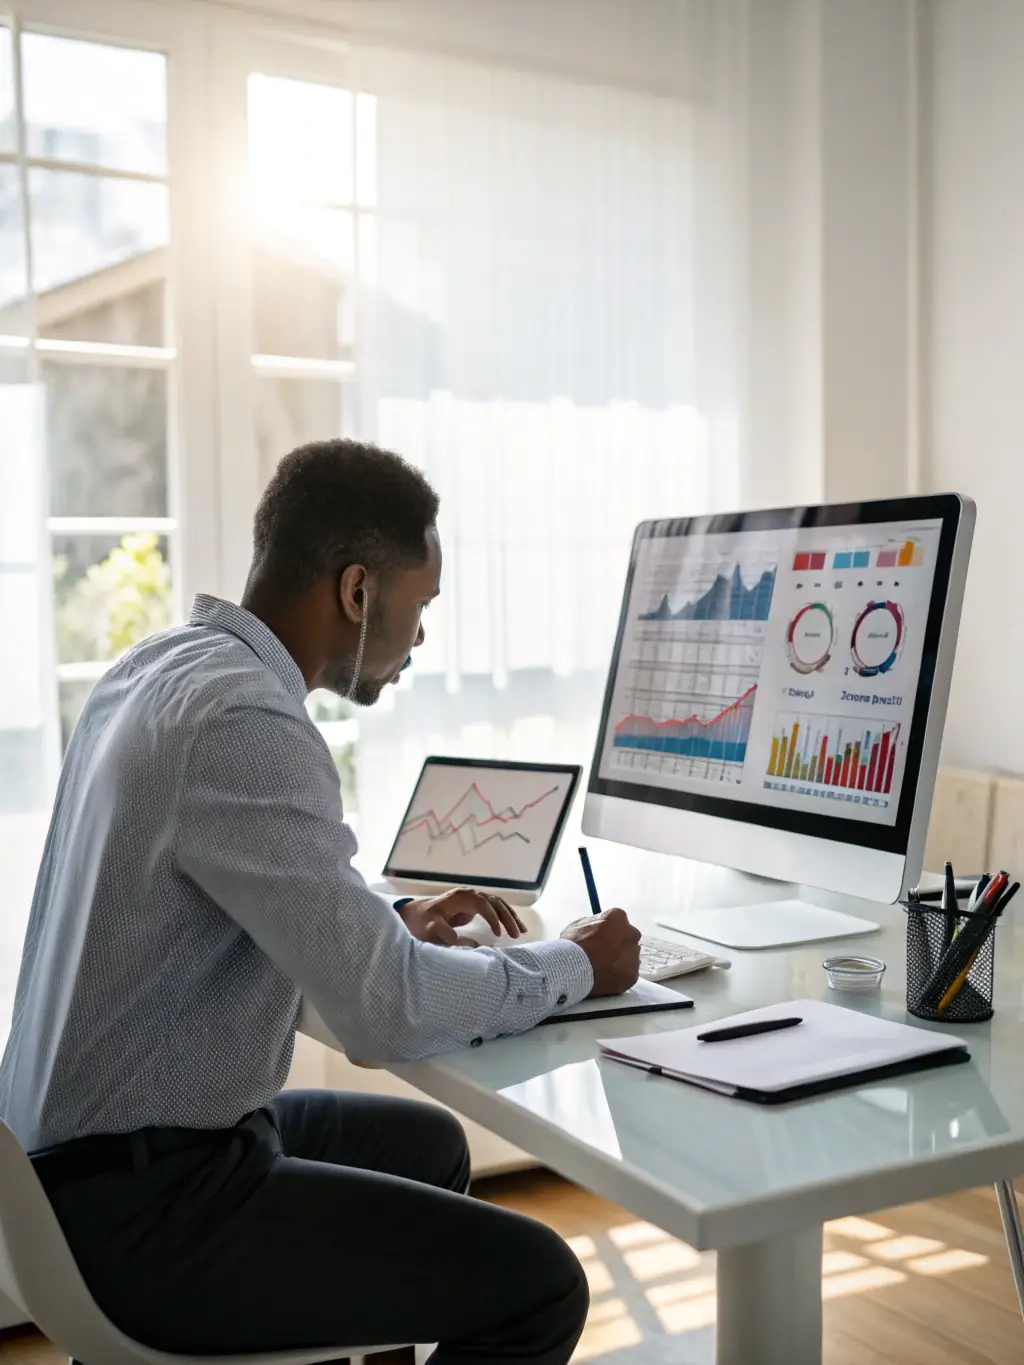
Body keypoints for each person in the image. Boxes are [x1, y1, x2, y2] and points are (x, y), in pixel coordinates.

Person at [0, 439, 642, 1365]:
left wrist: (384, 927)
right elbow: (386, 1013)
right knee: (540, 1284)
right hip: (140, 1210)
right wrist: (578, 963)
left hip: (58, 1168)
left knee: (428, 1146)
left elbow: (207, 918)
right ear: (355, 591)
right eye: (418, 608)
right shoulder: (249, 723)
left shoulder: (153, 673)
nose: (419, 640)